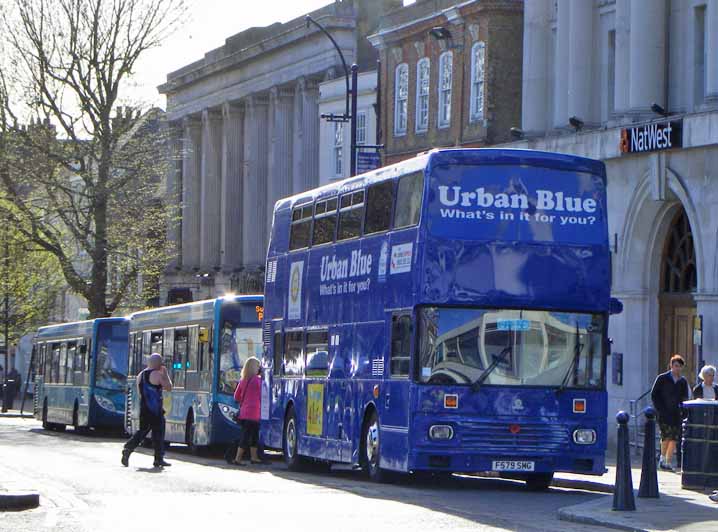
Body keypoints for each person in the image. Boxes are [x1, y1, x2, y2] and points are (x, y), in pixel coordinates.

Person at [121, 353, 173, 468]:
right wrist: (166, 374)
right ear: (157, 363)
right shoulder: (157, 374)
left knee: (142, 431)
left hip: (144, 408)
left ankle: (128, 448)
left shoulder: (141, 375)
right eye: (160, 362)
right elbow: (169, 387)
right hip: (155, 410)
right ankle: (158, 458)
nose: (161, 364)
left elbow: (140, 393)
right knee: (158, 433)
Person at [650, 354, 691, 471]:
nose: (677, 368)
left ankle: (668, 461)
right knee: (666, 436)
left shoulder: (682, 381)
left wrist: (683, 411)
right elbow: (654, 394)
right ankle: (662, 459)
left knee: (674, 438)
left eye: (679, 366)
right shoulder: (662, 378)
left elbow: (684, 397)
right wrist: (659, 409)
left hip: (676, 413)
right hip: (663, 412)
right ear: (671, 365)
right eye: (676, 366)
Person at [232, 357, 263, 465]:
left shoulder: (242, 380)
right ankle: (252, 457)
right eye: (258, 366)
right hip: (255, 413)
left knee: (245, 435)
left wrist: (245, 402)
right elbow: (262, 396)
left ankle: (238, 458)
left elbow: (236, 397)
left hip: (244, 413)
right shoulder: (259, 381)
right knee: (254, 436)